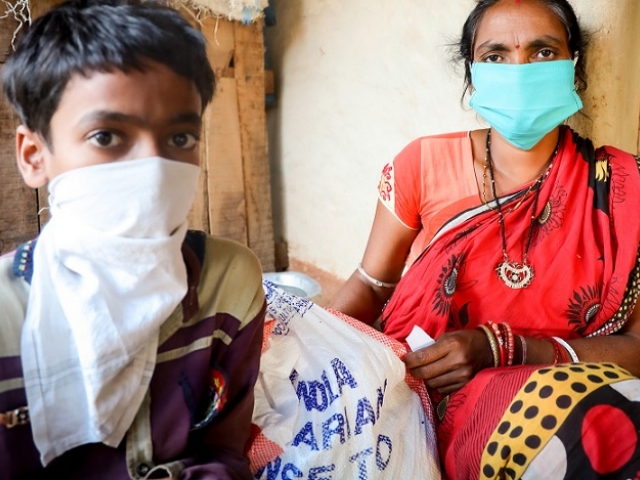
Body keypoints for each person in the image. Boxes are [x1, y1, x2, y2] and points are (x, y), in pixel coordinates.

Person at [330, 0, 640, 477]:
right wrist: (313, 356)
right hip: (431, 397)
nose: (518, 69)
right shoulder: (422, 165)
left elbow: (636, 346)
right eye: (495, 56)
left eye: (542, 52)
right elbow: (372, 286)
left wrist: (505, 350)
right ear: (473, 77)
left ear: (573, 69)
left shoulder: (621, 187)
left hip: (564, 388)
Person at [0, 1, 266, 478]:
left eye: (180, 138)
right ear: (34, 156)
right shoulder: (5, 316)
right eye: (107, 136)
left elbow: (225, 454)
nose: (153, 171)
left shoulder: (229, 283)